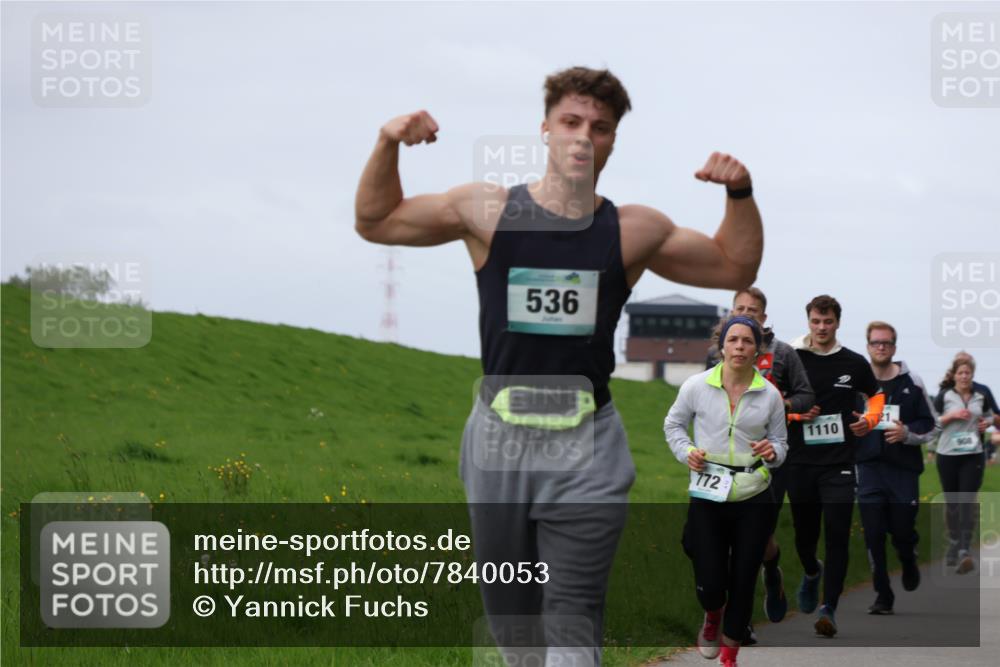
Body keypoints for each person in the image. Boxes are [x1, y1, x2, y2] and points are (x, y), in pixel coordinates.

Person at [354, 66, 763, 665]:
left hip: (586, 443)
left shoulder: (630, 229)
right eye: (570, 122)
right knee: (514, 629)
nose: (582, 137)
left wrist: (740, 192)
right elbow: (376, 220)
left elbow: (733, 268)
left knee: (571, 620)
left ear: (613, 140)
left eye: (599, 127)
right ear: (544, 128)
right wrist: (388, 142)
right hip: (498, 441)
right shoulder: (487, 210)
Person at [665, 314, 787, 667]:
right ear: (721, 346)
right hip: (708, 493)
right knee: (712, 581)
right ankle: (712, 613)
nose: (739, 347)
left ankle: (730, 657)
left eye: (747, 341)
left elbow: (781, 442)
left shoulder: (770, 395)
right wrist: (687, 452)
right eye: (732, 340)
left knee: (745, 576)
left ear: (757, 349)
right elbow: (673, 424)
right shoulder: (697, 386)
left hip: (753, 493)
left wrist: (773, 452)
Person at [706, 287, 814, 643]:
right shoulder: (715, 353)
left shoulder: (783, 353)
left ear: (764, 319)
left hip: (770, 460)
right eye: (740, 308)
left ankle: (769, 572)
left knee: (755, 541)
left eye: (754, 310)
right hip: (723, 460)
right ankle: (740, 623)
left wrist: (782, 402)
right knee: (727, 541)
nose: (747, 314)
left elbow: (806, 395)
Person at [785, 295, 884, 637]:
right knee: (804, 536)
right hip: (799, 461)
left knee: (838, 533)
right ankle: (812, 571)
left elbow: (876, 395)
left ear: (837, 323)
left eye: (827, 322)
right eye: (815, 321)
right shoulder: (792, 358)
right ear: (808, 321)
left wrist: (869, 421)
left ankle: (829, 608)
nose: (821, 327)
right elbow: (773, 400)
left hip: (840, 462)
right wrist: (796, 413)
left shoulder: (854, 363)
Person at [855, 321, 935, 615]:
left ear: (894, 347)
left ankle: (908, 558)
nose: (881, 347)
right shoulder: (857, 382)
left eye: (886, 343)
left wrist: (908, 435)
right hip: (868, 468)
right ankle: (883, 594)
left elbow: (931, 424)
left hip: (903, 470)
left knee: (902, 530)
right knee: (873, 533)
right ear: (868, 346)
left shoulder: (912, 382)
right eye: (876, 342)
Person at [921, 356, 995, 573]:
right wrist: (951, 416)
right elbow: (931, 422)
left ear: (972, 375)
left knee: (967, 500)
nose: (964, 376)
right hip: (948, 455)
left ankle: (964, 549)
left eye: (968, 373)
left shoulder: (981, 396)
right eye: (960, 373)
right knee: (952, 502)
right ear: (954, 375)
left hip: (973, 454)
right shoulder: (944, 396)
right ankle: (954, 542)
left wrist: (986, 423)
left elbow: (990, 417)